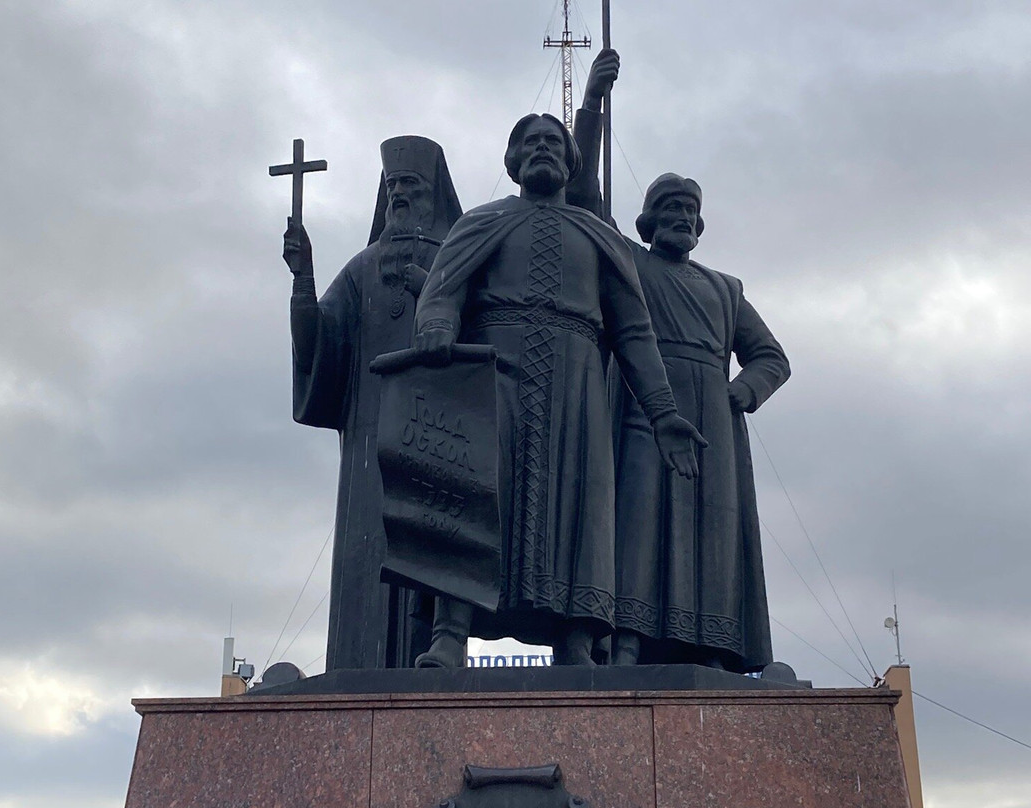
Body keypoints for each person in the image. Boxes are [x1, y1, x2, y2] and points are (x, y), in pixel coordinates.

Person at [409, 113, 706, 667]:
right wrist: (436, 329)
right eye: (530, 142)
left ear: (570, 161)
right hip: (493, 372)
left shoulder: (600, 237)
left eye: (553, 142)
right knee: (475, 497)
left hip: (578, 380)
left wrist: (663, 413)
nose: (542, 149)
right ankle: (451, 632)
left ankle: (574, 638)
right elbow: (443, 290)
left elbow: (634, 331)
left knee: (581, 506)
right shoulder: (481, 222)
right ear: (513, 160)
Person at [574, 52, 791, 671]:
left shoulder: (726, 288)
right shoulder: (629, 261)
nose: (681, 219)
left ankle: (714, 648)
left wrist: (741, 392)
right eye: (669, 210)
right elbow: (585, 196)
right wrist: (591, 107)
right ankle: (627, 641)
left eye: (690, 213)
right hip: (645, 400)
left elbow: (771, 357)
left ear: (700, 225)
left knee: (712, 535)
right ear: (647, 222)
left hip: (714, 417)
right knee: (637, 522)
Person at [284, 136, 463, 670]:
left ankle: (429, 657)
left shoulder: (456, 264)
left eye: (412, 184)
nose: (401, 194)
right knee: (363, 551)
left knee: (430, 553)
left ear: (434, 195)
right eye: (393, 186)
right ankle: (354, 668)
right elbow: (320, 342)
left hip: (436, 434)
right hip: (367, 437)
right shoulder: (361, 269)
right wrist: (303, 277)